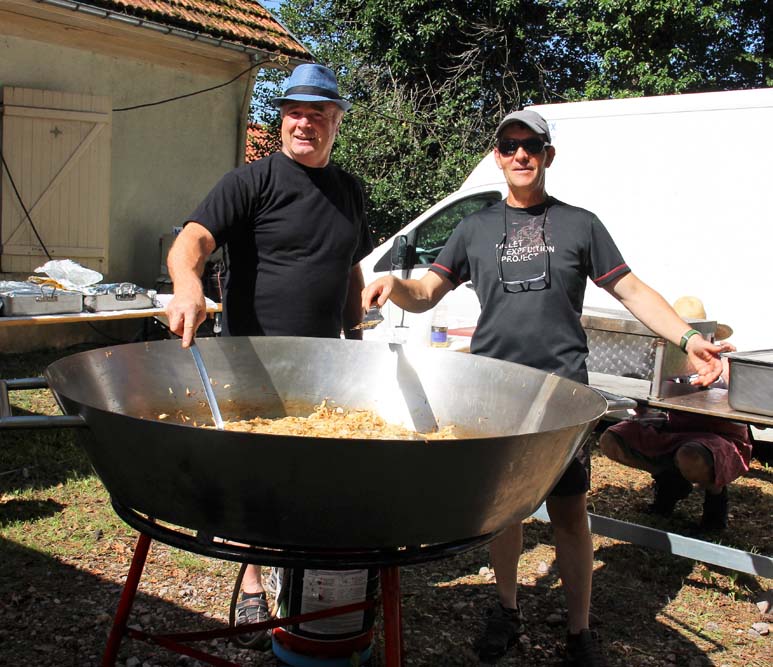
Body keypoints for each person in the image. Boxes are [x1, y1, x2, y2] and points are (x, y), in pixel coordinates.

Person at [360, 109, 728, 666]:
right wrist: (395, 282)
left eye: (530, 145)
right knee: (503, 511)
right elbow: (428, 291)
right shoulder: (475, 227)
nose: (520, 155)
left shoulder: (580, 224)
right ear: (497, 156)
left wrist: (688, 336)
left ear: (548, 155)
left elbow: (631, 290)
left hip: (561, 395)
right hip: (494, 393)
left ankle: (579, 634)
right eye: (509, 145)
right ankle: (507, 610)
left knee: (569, 512)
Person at [165, 63, 373, 648]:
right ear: (281, 120)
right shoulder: (249, 182)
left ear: (336, 121)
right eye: (294, 113)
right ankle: (253, 579)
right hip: (251, 358)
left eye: (318, 114)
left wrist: (357, 339)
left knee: (311, 474)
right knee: (254, 477)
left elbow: (350, 268)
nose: (305, 123)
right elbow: (191, 241)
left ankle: (301, 573)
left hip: (324, 363)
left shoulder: (350, 190)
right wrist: (187, 286)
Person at [599, 297, 752, 530]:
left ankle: (715, 498)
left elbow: (746, 410)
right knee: (613, 439)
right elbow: (649, 405)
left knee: (691, 454)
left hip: (719, 438)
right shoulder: (666, 360)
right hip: (676, 431)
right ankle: (670, 481)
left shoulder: (725, 363)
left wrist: (730, 371)